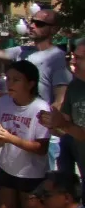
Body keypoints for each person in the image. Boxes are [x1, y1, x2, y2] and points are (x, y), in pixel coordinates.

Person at [0, 59, 53, 208]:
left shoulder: (40, 108)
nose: (10, 83)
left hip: (32, 175)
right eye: (8, 79)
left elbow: (41, 148)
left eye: (16, 80)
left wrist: (10, 138)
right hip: (7, 170)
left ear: (30, 83)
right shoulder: (3, 102)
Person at [0, 8, 71, 111]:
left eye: (39, 23)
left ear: (54, 29)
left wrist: (44, 122)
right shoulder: (20, 51)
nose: (32, 26)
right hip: (16, 120)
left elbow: (60, 101)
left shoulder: (57, 58)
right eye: (32, 21)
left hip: (38, 121)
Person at [41, 39, 85, 181]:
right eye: (71, 57)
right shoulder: (74, 86)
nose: (72, 62)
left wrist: (63, 124)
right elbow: (64, 129)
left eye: (78, 58)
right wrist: (52, 123)